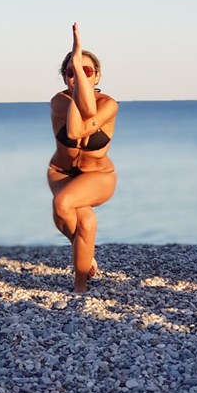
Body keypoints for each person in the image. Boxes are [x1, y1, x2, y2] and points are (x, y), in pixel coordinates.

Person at [47, 22, 118, 293]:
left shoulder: (109, 104)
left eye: (86, 71)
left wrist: (77, 62)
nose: (78, 77)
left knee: (63, 202)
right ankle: (82, 272)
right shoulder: (59, 102)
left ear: (97, 76)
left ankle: (80, 278)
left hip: (98, 176)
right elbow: (77, 116)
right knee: (84, 223)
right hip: (61, 172)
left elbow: (78, 127)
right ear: (65, 77)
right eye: (71, 72)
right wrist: (77, 71)